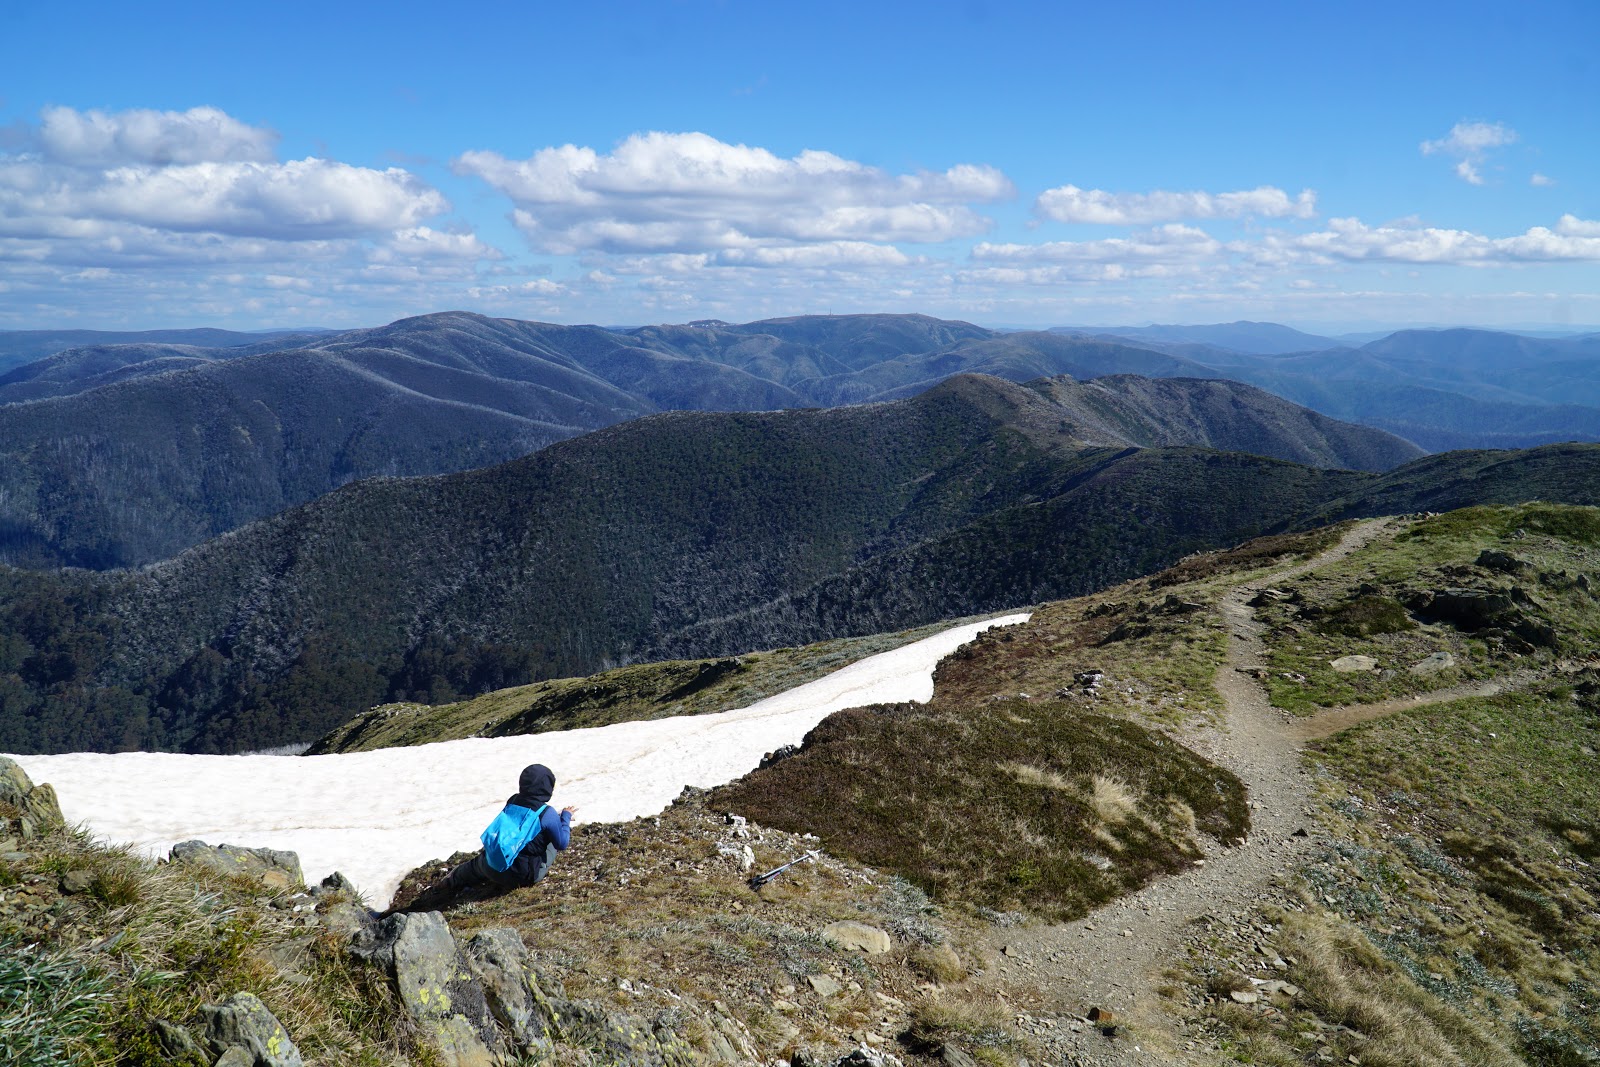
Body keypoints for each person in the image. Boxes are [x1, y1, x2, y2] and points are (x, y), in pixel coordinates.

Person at [405, 763, 576, 910]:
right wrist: (565, 817)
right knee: (552, 842)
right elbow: (562, 843)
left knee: (475, 865)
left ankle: (450, 881)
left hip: (492, 865)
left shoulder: (514, 799)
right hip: (522, 876)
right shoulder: (547, 813)